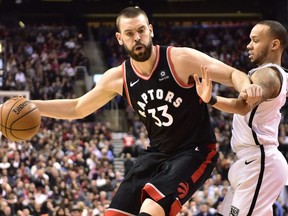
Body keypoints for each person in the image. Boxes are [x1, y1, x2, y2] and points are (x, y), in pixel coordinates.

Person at [30, 7, 260, 216]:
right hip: (157, 153)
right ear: (120, 39)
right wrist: (34, 106)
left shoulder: (180, 59)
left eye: (141, 30)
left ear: (150, 30)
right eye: (129, 33)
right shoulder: (118, 77)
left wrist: (246, 87)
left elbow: (232, 75)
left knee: (151, 210)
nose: (137, 37)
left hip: (195, 151)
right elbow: (78, 108)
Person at [195, 20, 288, 216]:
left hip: (259, 161)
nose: (248, 45)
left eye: (255, 40)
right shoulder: (274, 74)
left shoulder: (269, 75)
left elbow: (242, 107)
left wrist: (210, 98)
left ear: (274, 44)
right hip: (250, 162)